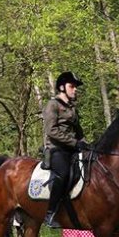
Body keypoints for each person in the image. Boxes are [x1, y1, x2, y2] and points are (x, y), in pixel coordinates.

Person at [42, 71, 89, 228]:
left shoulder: (72, 108)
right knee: (62, 174)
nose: (75, 89)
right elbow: (51, 131)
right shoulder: (53, 105)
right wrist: (75, 143)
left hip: (73, 149)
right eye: (72, 86)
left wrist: (87, 144)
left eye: (75, 87)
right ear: (62, 87)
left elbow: (79, 132)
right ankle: (50, 212)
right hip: (57, 149)